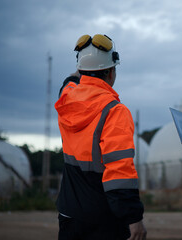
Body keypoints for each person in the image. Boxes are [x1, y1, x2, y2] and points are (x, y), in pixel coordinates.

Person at [55, 34, 146, 240]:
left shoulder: (66, 100)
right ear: (110, 72)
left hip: (69, 214)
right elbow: (119, 170)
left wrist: (80, 71)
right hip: (103, 220)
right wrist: (134, 218)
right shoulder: (114, 111)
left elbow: (68, 83)